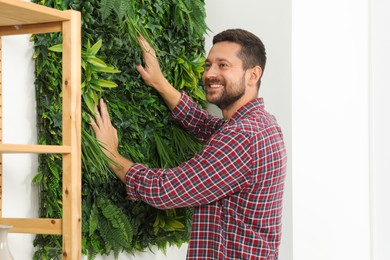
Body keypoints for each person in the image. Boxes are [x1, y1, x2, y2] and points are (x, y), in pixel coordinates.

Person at [91, 28, 287, 259]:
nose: (210, 73)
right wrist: (160, 82)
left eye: (223, 65)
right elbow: (205, 124)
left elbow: (165, 191)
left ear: (253, 75)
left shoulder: (242, 136)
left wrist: (111, 155)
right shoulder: (262, 124)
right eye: (208, 65)